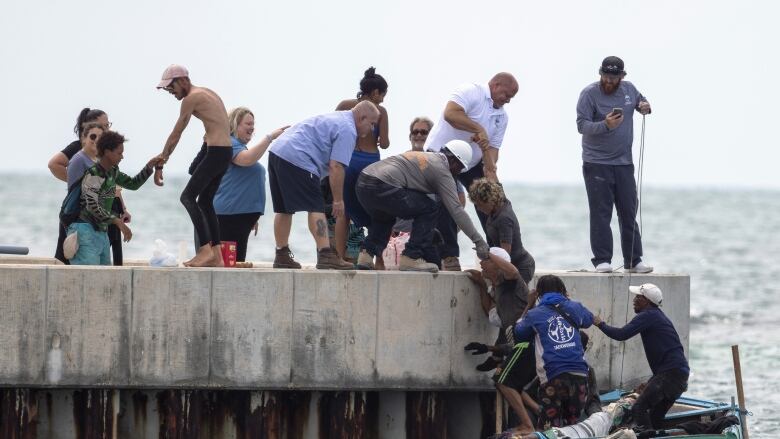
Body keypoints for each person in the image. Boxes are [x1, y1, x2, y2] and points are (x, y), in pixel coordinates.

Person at [267, 100, 380, 270]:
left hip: (278, 152)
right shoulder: (348, 130)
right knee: (316, 208)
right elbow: (336, 166)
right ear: (362, 118)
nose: (372, 129)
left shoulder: (338, 118)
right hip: (300, 157)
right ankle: (325, 254)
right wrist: (338, 200)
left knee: (283, 209)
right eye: (371, 124)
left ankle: (281, 254)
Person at [424, 72, 518, 271]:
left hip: (472, 162)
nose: (508, 101)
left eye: (511, 98)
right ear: (496, 85)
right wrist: (477, 128)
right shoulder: (471, 91)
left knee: (493, 202)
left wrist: (491, 173)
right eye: (507, 95)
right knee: (448, 201)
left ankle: (498, 254)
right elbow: (451, 114)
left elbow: (493, 150)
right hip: (443, 154)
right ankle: (449, 255)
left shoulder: (502, 116)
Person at [355, 139, 490, 272]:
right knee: (430, 208)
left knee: (385, 217)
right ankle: (411, 257)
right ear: (454, 161)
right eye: (460, 169)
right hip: (383, 185)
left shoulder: (427, 157)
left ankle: (366, 255)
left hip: (363, 183)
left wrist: (427, 229)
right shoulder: (442, 171)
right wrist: (478, 241)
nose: (458, 173)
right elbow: (456, 210)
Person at [577, 56, 653, 274]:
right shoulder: (589, 94)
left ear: (622, 77)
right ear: (600, 74)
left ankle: (633, 260)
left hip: (624, 163)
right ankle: (602, 260)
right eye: (606, 76)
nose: (609, 81)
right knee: (601, 213)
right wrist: (605, 125)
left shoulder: (629, 89)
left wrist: (644, 105)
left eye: (614, 77)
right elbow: (581, 125)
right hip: (596, 163)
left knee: (628, 212)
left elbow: (641, 101)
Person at [155, 64, 233, 267]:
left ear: (182, 80)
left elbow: (177, 131)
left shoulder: (192, 98)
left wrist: (163, 158)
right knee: (205, 201)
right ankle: (217, 257)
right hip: (224, 152)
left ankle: (204, 250)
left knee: (187, 197)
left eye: (170, 87)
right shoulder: (207, 92)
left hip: (216, 152)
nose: (170, 92)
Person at [593, 283, 690, 432]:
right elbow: (669, 358)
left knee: (638, 408)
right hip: (679, 375)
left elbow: (621, 335)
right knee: (654, 418)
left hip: (670, 374)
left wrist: (600, 324)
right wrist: (652, 381)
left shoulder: (648, 315)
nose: (634, 300)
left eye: (638, 297)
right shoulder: (657, 316)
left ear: (647, 301)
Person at [464, 247, 535, 435]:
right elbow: (491, 314)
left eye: (485, 260)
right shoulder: (497, 290)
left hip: (525, 341)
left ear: (497, 264)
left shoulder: (513, 283)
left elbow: (513, 271)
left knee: (502, 379)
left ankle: (528, 424)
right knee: (511, 382)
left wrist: (489, 253)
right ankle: (538, 412)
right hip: (515, 342)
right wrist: (481, 285)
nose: (480, 263)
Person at [67, 131, 161, 265]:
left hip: (101, 232)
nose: (122, 157)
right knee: (90, 279)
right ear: (107, 152)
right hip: (85, 231)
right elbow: (92, 206)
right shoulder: (94, 174)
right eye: (119, 153)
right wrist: (118, 222)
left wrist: (149, 166)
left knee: (104, 278)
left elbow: (133, 184)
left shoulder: (112, 171)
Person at [513, 274, 594, 429]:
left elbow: (518, 332)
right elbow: (589, 320)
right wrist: (568, 301)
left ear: (538, 294)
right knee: (572, 427)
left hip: (552, 377)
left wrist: (529, 305)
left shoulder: (534, 314)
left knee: (549, 429)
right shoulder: (575, 307)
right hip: (580, 376)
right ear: (563, 290)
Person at [50, 108, 129, 265]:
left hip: (106, 212)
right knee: (69, 256)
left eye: (107, 126)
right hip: (83, 214)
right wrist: (80, 184)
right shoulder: (79, 148)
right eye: (102, 126)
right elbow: (54, 164)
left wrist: (124, 208)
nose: (106, 130)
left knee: (113, 256)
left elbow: (112, 183)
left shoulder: (104, 151)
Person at [212, 107, 287, 262]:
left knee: (235, 261)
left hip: (240, 216)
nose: (252, 127)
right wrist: (270, 137)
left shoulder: (238, 145)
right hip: (229, 215)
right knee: (230, 263)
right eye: (248, 123)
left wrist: (252, 217)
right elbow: (246, 159)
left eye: (253, 124)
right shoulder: (230, 144)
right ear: (235, 124)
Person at [333, 67, 390, 265]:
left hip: (348, 160)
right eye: (383, 94)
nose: (383, 99)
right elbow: (384, 143)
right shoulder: (381, 112)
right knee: (377, 210)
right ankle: (378, 260)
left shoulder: (345, 105)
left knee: (344, 213)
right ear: (375, 93)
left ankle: (340, 257)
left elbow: (334, 131)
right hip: (370, 162)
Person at [468, 178, 535, 283]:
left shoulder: (504, 218)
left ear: (490, 201)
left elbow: (505, 255)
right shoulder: (499, 204)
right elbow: (493, 180)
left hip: (521, 267)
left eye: (480, 205)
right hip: (511, 263)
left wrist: (486, 256)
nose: (479, 209)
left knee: (511, 298)